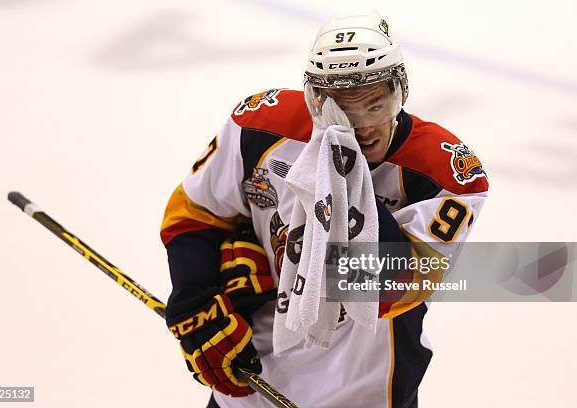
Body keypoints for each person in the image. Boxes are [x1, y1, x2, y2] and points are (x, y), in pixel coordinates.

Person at [160, 11, 489, 408]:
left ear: (399, 92)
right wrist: (195, 296)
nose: (363, 128)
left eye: (375, 105)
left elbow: (389, 291)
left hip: (365, 393)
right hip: (252, 383)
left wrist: (343, 171)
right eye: (343, 110)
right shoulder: (259, 126)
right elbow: (193, 212)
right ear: (316, 100)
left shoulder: (445, 174)